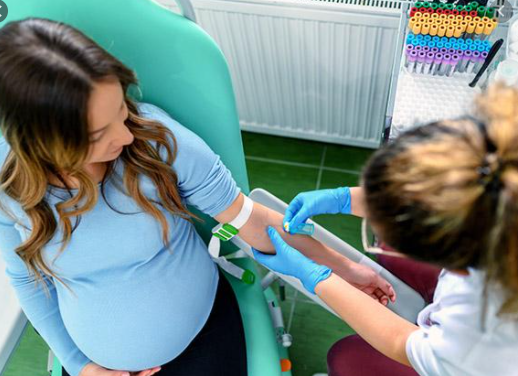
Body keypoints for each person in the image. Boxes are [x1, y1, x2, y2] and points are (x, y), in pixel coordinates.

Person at [0, 18, 395, 376]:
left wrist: (346, 269)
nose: (124, 135)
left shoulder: (156, 141)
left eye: (121, 109)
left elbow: (251, 221)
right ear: (46, 145)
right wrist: (80, 365)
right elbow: (28, 281)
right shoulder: (9, 190)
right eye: (98, 136)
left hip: (201, 333)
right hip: (96, 363)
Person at [253, 83, 518, 376]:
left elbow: (399, 341)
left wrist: (316, 278)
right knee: (391, 258)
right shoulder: (503, 167)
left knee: (346, 360)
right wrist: (346, 198)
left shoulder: (482, 339)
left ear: (458, 259)